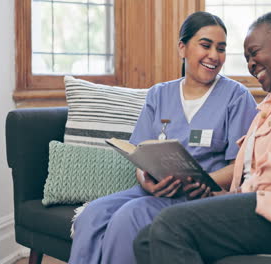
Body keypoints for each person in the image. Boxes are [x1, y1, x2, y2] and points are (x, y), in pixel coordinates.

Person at [133, 11, 271, 264]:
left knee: (169, 225)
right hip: (266, 208)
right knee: (146, 239)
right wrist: (224, 195)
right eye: (247, 58)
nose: (251, 64)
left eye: (255, 53)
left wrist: (235, 196)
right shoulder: (268, 107)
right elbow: (254, 175)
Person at [68, 11, 258, 264]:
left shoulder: (236, 97)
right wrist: (146, 181)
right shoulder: (159, 95)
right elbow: (139, 154)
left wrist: (203, 182)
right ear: (183, 47)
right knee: (92, 214)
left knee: (129, 217)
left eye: (221, 48)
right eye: (205, 45)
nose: (214, 55)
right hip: (154, 191)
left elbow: (239, 167)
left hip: (199, 198)